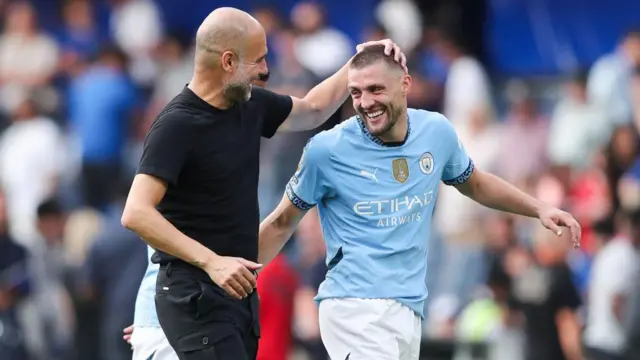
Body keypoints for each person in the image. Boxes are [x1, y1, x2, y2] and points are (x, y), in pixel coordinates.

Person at [257, 44, 582, 360]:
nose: (365, 102)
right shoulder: (326, 150)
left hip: (408, 308)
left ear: (405, 84)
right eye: (356, 92)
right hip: (352, 308)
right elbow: (282, 221)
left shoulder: (435, 132)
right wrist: (226, 271)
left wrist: (539, 208)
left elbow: (476, 183)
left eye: (375, 89)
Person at [120, 7, 406, 360]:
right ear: (228, 61)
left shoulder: (248, 105)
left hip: (234, 298)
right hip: (194, 296)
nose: (266, 70)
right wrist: (212, 262)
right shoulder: (177, 124)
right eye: (258, 60)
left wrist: (359, 62)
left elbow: (313, 109)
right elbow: (135, 213)